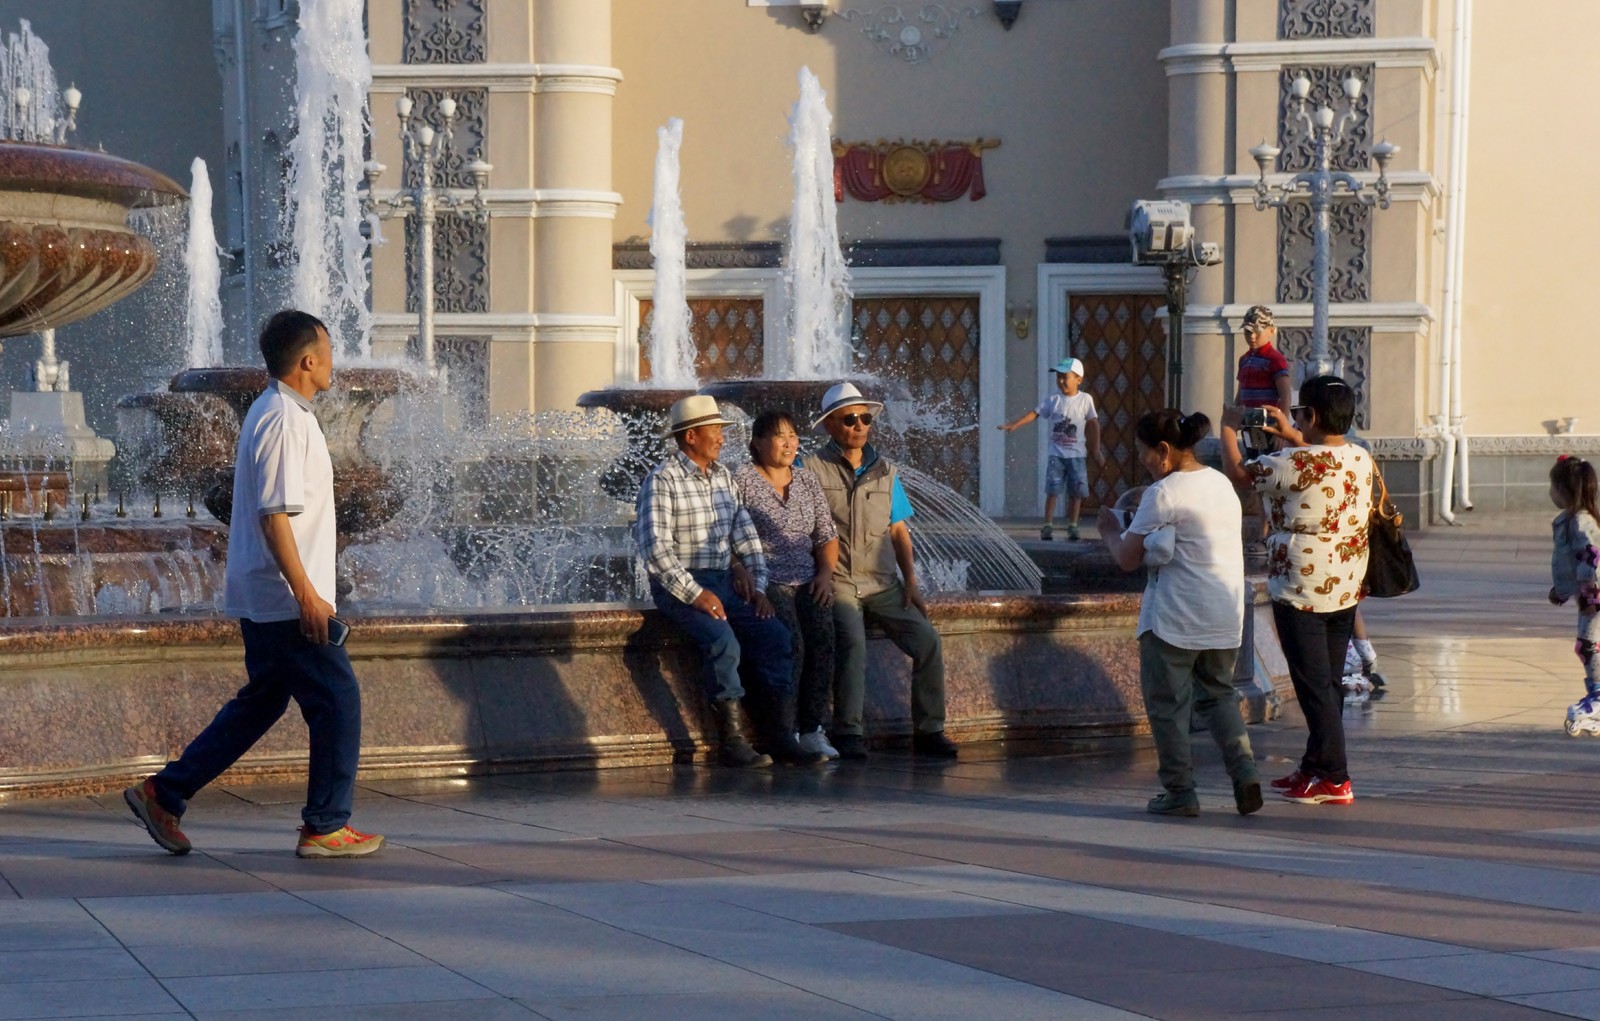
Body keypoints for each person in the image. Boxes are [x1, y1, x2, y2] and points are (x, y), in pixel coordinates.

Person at [123, 310, 384, 859]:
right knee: (338, 700)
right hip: (284, 596)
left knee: (263, 701)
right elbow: (275, 517)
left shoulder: (280, 412)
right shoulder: (285, 420)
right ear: (308, 360)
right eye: (329, 351)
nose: (335, 361)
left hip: (270, 592)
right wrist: (308, 594)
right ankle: (325, 825)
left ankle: (165, 793)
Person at [1097, 410, 1261, 818]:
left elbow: (1127, 559)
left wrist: (1109, 531)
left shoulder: (1164, 492)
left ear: (1164, 450)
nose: (1143, 462)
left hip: (1175, 618)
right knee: (1219, 695)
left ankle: (1180, 791)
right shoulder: (1221, 483)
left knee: (1168, 705)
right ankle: (1244, 774)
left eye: (1144, 453)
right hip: (1223, 614)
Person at [1220, 375, 1372, 807]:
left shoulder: (1291, 463)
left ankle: (1336, 777)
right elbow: (1322, 459)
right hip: (1344, 582)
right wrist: (1291, 434)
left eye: (1301, 414)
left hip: (1301, 586)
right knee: (1328, 683)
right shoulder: (1360, 458)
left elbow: (1239, 473)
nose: (1296, 420)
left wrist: (1229, 426)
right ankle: (1316, 767)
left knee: (1313, 685)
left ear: (1315, 416)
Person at [635, 394, 798, 767]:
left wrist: (758, 587)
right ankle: (732, 741)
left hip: (725, 580)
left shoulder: (724, 477)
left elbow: (746, 537)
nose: (723, 438)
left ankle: (779, 734)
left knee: (774, 636)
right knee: (722, 642)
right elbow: (655, 551)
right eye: (715, 430)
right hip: (681, 583)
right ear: (690, 436)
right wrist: (695, 594)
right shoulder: (662, 480)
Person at [804, 382, 958, 760]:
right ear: (829, 426)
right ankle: (849, 731)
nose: (859, 426)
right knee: (853, 644)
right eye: (850, 419)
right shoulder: (809, 469)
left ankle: (929, 729)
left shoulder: (886, 472)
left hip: (884, 584)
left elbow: (899, 531)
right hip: (838, 581)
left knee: (928, 642)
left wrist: (912, 584)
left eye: (865, 418)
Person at [733, 411, 839, 761]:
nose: (790, 443)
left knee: (823, 638)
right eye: (780, 436)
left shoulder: (807, 481)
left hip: (808, 577)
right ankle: (785, 730)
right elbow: (726, 535)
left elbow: (826, 534)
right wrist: (743, 573)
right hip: (766, 579)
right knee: (791, 643)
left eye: (793, 435)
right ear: (758, 443)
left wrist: (824, 575)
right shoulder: (742, 480)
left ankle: (812, 729)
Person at [998, 357, 1105, 541]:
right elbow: (1036, 413)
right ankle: (1047, 524)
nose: (1061, 381)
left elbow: (1094, 423)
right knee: (1053, 490)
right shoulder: (1053, 399)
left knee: (1077, 492)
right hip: (1056, 455)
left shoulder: (1085, 400)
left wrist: (1096, 449)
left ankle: (1073, 525)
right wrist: (1015, 424)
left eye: (1065, 377)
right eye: (1059, 377)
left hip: (1076, 456)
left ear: (1078, 379)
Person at [1547, 455, 1600, 736]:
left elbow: (1591, 558)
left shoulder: (1581, 522)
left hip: (1594, 595)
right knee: (1586, 645)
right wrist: (1562, 590)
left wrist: (1590, 595)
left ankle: (1599, 695)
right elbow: (1567, 565)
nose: (1549, 492)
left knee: (1589, 645)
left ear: (1565, 490)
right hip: (1587, 596)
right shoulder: (1570, 520)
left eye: (1552, 486)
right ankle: (1596, 692)